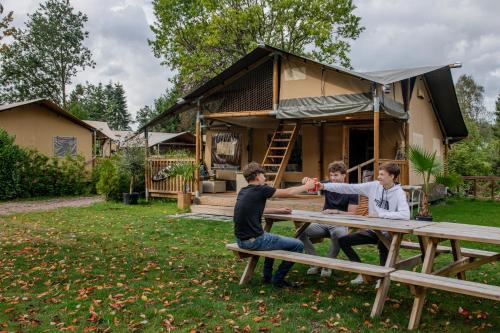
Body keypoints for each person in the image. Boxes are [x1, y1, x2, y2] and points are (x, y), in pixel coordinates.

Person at [309, 162, 410, 285]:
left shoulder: (398, 192)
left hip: (390, 232)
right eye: (379, 173)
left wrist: (380, 214)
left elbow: (405, 215)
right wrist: (323, 187)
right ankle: (362, 273)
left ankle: (382, 279)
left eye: (382, 174)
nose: (378, 177)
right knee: (343, 241)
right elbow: (348, 188)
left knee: (383, 244)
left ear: (392, 176)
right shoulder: (373, 186)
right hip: (373, 230)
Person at [234, 162, 316, 288]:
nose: (265, 178)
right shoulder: (261, 189)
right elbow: (288, 191)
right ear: (257, 176)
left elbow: (255, 209)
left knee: (270, 238)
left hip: (241, 240)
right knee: (298, 245)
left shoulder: (243, 191)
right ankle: (278, 279)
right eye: (263, 175)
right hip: (254, 241)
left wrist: (278, 211)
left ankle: (267, 277)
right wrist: (307, 186)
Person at [298, 161, 358, 278]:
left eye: (336, 175)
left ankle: (328, 265)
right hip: (323, 222)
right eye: (331, 175)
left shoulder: (352, 190)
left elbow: (352, 213)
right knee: (301, 232)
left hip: (340, 223)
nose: (333, 178)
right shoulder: (326, 185)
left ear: (344, 175)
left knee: (339, 234)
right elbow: (312, 187)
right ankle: (315, 262)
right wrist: (306, 180)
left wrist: (335, 211)